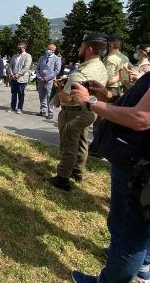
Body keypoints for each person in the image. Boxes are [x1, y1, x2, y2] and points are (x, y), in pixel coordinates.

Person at [70, 0, 150, 283]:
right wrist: (108, 95)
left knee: (127, 233)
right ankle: (144, 268)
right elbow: (145, 103)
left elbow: (141, 117)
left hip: (143, 163)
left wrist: (91, 102)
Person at [46, 33, 108, 191]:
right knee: (82, 142)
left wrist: (59, 88)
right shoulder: (101, 67)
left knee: (69, 145)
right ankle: (77, 171)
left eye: (81, 46)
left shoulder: (79, 74)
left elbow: (66, 98)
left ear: (89, 49)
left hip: (73, 112)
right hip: (89, 111)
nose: (79, 49)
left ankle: (62, 178)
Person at [35, 43, 61, 119]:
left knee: (50, 97)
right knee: (41, 96)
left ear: (54, 50)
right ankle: (43, 110)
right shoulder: (42, 58)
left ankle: (50, 112)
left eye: (50, 49)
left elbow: (56, 71)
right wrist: (39, 77)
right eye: (47, 49)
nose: (48, 50)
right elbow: (37, 68)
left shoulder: (57, 59)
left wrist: (46, 78)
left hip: (50, 81)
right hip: (40, 81)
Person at [7, 42, 32, 114]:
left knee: (21, 94)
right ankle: (12, 107)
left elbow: (26, 68)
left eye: (20, 47)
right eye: (18, 47)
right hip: (13, 77)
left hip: (21, 78)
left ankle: (20, 108)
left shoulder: (28, 56)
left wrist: (17, 75)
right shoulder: (14, 56)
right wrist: (11, 74)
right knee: (13, 93)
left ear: (24, 48)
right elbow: (10, 66)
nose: (18, 48)